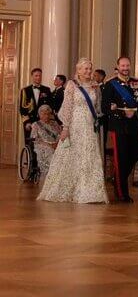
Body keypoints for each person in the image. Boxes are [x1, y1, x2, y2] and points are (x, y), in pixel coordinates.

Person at [38, 58, 107, 204]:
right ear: (78, 70)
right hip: (75, 125)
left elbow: (98, 107)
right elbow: (67, 107)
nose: (88, 71)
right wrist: (66, 128)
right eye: (85, 69)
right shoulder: (71, 85)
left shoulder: (95, 86)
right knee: (71, 156)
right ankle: (68, 189)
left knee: (89, 156)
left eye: (90, 68)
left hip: (89, 126)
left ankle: (89, 192)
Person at [102, 56, 138, 203]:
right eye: (123, 66)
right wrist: (122, 112)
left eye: (127, 66)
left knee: (135, 154)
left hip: (134, 125)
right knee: (121, 159)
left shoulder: (135, 82)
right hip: (119, 126)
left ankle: (117, 178)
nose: (125, 68)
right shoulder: (111, 84)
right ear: (117, 66)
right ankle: (121, 193)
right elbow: (105, 108)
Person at [19, 68, 52, 141]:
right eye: (36, 76)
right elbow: (22, 108)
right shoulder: (25, 90)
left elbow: (50, 106)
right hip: (30, 122)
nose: (38, 78)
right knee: (30, 143)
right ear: (32, 76)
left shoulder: (47, 90)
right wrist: (27, 122)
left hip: (43, 121)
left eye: (40, 76)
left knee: (44, 143)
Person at [30, 105, 61, 179]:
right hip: (42, 145)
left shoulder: (55, 124)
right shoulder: (36, 124)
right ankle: (52, 174)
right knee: (49, 151)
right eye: (44, 114)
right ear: (39, 115)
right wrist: (48, 144)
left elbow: (60, 135)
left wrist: (57, 143)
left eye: (48, 114)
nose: (46, 116)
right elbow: (35, 139)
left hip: (56, 144)